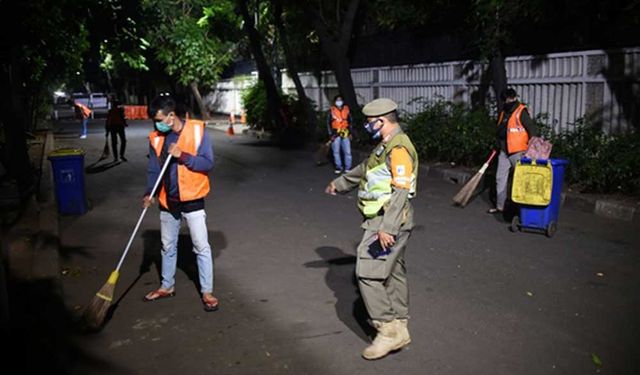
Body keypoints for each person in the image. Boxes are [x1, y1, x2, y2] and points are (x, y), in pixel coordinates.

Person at [325, 98, 418, 360]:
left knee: (366, 272)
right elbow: (366, 170)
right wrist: (340, 183)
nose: (367, 126)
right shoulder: (384, 147)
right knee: (394, 271)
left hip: (387, 220)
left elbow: (401, 190)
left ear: (383, 120)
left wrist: (387, 227)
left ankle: (387, 330)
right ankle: (400, 325)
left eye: (370, 122)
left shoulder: (399, 148)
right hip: (385, 219)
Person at [142, 95, 219, 312]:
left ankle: (207, 291)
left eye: (158, 120)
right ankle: (167, 286)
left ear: (171, 116)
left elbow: (207, 162)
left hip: (193, 198)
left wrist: (182, 155)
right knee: (167, 246)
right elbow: (154, 170)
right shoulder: (156, 138)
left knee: (201, 247)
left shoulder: (197, 131)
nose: (156, 124)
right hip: (168, 200)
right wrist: (150, 192)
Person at [488, 88, 537, 214]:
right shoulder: (504, 112)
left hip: (519, 152)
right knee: (500, 178)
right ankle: (500, 207)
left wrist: (532, 150)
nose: (508, 101)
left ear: (514, 97)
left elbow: (532, 130)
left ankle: (523, 210)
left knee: (521, 180)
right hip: (504, 152)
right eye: (506, 99)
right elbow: (501, 131)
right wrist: (497, 145)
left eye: (510, 98)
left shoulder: (521, 111)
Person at [327, 94, 353, 174]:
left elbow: (350, 122)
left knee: (347, 151)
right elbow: (328, 123)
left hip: (345, 132)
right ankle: (338, 167)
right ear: (334, 102)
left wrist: (350, 133)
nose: (339, 102)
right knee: (336, 151)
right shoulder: (331, 111)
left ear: (343, 101)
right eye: (337, 100)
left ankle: (348, 167)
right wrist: (330, 134)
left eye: (340, 100)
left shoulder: (347, 110)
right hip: (335, 133)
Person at [105, 96, 128, 162]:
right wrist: (125, 123)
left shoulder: (111, 111)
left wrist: (107, 131)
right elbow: (123, 118)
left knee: (114, 143)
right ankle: (121, 155)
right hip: (120, 127)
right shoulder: (120, 110)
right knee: (123, 141)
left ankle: (116, 157)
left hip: (112, 127)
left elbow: (107, 121)